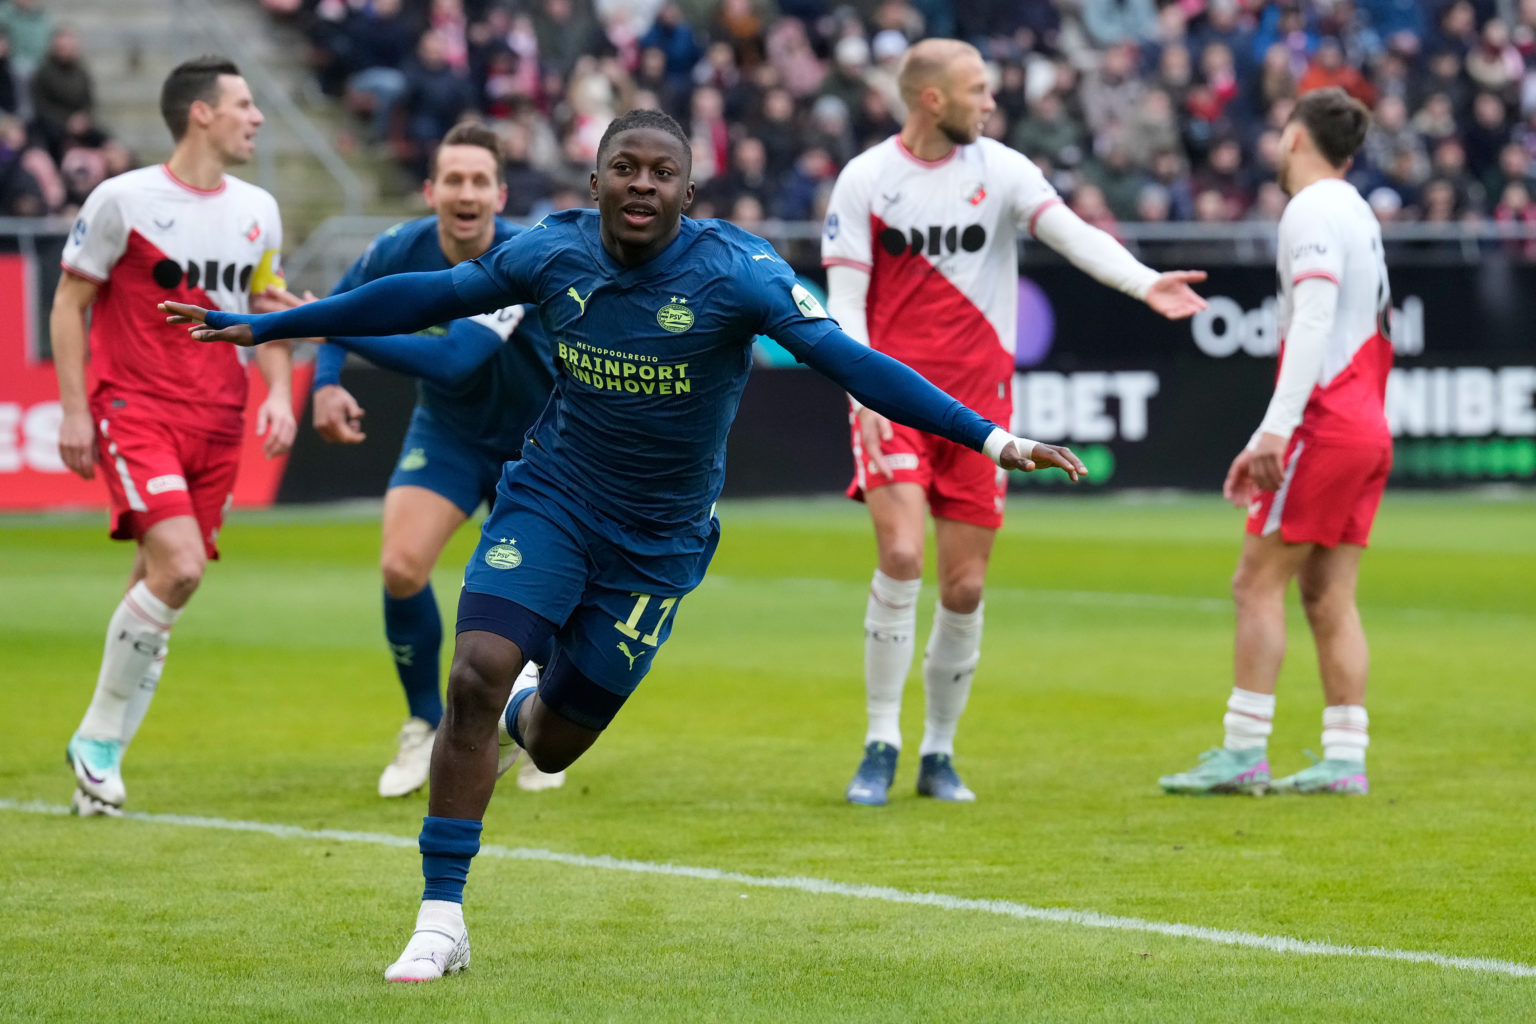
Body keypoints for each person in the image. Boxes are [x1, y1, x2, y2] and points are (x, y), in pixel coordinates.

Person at [163, 108, 1085, 983]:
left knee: (553, 744)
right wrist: (273, 324)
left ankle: (537, 701)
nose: (642, 184)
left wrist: (993, 439)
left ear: (691, 193)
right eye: (626, 168)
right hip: (553, 498)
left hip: (659, 542)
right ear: (595, 179)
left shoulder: (740, 273)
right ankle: (439, 918)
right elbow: (431, 298)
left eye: (663, 173)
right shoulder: (552, 251)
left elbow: (855, 364)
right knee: (475, 670)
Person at [821, 38, 1208, 806]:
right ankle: (880, 741)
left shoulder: (1001, 169)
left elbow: (1070, 231)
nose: (991, 102)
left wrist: (1142, 282)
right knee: (900, 554)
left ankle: (938, 753)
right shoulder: (865, 178)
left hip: (980, 412)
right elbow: (845, 300)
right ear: (931, 98)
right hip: (892, 400)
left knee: (963, 586)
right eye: (978, 90)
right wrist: (858, 390)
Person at [52, 55, 296, 816]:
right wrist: (71, 408)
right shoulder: (123, 200)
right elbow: (69, 303)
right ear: (201, 112)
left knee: (158, 581)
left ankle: (99, 773)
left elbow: (267, 309)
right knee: (181, 568)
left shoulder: (260, 209)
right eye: (244, 104)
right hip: (138, 409)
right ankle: (95, 739)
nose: (257, 118)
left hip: (219, 421)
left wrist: (281, 393)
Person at [298, 120, 564, 797]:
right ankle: (423, 725)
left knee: (542, 592)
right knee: (400, 565)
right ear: (431, 189)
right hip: (448, 434)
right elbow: (345, 305)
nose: (466, 192)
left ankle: (536, 722)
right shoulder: (399, 246)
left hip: (536, 443)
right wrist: (326, 383)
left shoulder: (520, 256)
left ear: (500, 194)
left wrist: (326, 324)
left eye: (480, 180)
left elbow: (452, 359)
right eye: (454, 179)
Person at [1159, 87, 1389, 798]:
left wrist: (1275, 429)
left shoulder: (1311, 210)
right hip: (1368, 418)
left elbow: (1315, 318)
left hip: (1327, 418)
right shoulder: (1357, 211)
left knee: (1255, 581)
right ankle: (1346, 757)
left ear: (1295, 139)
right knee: (1328, 593)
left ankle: (1244, 749)